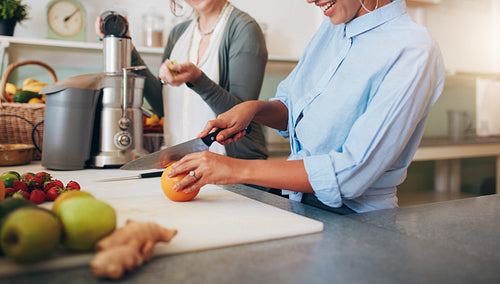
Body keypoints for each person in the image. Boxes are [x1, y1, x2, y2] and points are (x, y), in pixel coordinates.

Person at [166, 0, 445, 214]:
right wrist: (255, 109)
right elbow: (293, 108)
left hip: (359, 221)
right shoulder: (332, 28)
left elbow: (350, 172)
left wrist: (234, 169)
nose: (311, 0)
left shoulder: (413, 49)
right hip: (299, 207)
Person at [95, 0, 268, 160]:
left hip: (234, 169)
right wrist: (127, 47)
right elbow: (163, 107)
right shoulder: (178, 34)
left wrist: (197, 80)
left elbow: (241, 116)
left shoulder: (244, 29)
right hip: (184, 164)